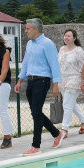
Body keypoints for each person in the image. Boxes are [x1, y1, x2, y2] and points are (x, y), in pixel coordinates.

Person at [13, 18, 63, 155]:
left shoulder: (47, 44)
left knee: (36, 112)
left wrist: (56, 84)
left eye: (27, 28)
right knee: (36, 113)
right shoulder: (29, 44)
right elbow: (25, 63)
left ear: (36, 29)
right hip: (30, 81)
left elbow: (54, 65)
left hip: (42, 81)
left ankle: (36, 146)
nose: (25, 31)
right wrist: (19, 81)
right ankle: (56, 133)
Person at [57, 28, 84, 139]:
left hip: (75, 79)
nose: (66, 38)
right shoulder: (62, 49)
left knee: (67, 104)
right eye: (65, 35)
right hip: (63, 79)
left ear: (74, 38)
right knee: (71, 103)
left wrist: (83, 81)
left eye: (69, 36)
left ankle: (64, 129)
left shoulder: (79, 51)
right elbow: (59, 65)